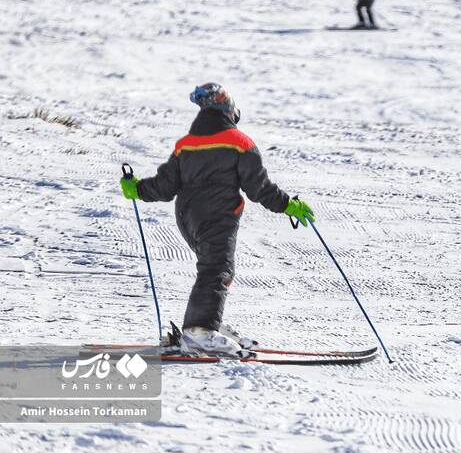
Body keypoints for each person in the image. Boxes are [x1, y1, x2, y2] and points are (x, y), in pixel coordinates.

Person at [119, 83, 315, 356]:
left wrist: (137, 188)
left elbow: (165, 186)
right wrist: (288, 205)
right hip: (217, 215)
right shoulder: (239, 142)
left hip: (187, 217)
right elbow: (258, 188)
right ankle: (200, 331)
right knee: (216, 269)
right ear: (228, 108)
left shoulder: (186, 144)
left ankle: (208, 322)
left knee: (212, 268)